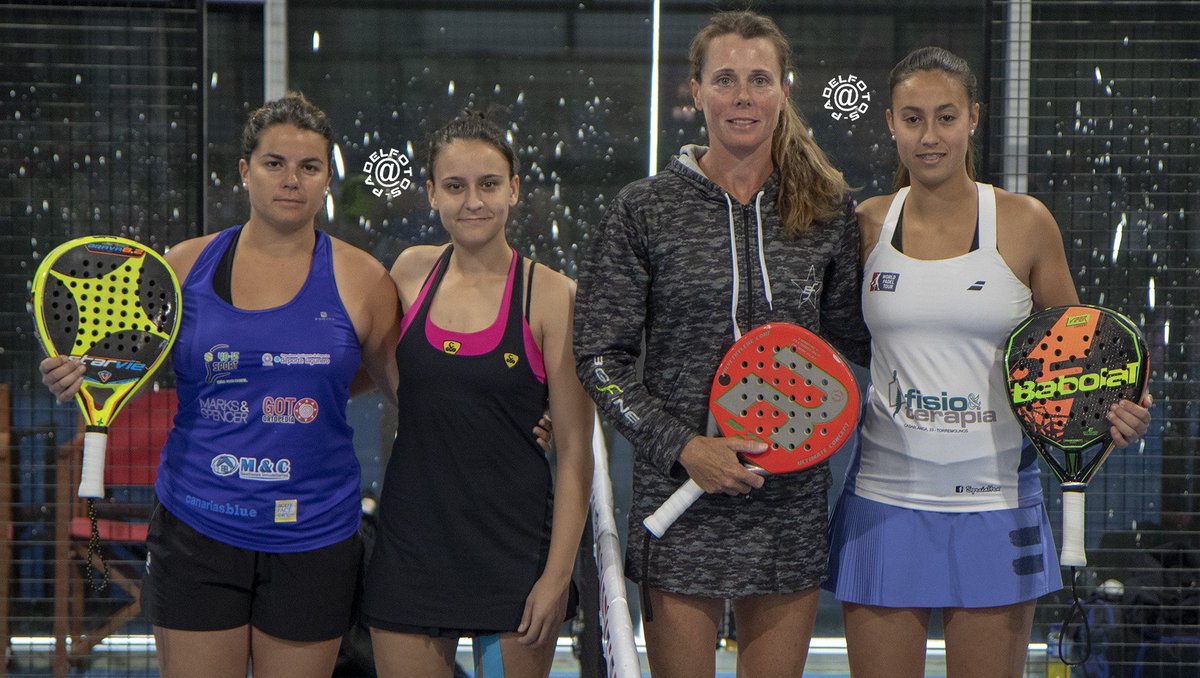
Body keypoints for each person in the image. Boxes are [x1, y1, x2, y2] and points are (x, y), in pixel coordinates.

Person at [39, 93, 400, 677]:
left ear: (327, 178)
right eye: (274, 163)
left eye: (309, 167)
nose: (291, 179)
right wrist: (70, 375)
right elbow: (115, 365)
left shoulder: (364, 279)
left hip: (315, 534)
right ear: (244, 170)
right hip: (197, 529)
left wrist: (511, 420)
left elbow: (400, 388)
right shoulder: (181, 267)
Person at [823, 46, 1154, 678]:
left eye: (945, 117)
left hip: (996, 504)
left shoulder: (1026, 223)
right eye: (912, 118)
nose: (929, 136)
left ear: (974, 118)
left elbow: (1081, 358)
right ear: (890, 123)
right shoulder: (865, 224)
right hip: (884, 503)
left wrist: (1125, 409)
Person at [573, 11, 870, 678]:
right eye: (726, 79)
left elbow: (859, 339)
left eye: (759, 79)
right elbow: (599, 357)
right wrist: (685, 447)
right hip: (679, 502)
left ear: (784, 92)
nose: (743, 96)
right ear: (697, 90)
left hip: (787, 505)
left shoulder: (826, 212)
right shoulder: (642, 209)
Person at [360, 110, 594, 678]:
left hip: (513, 552)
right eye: (455, 186)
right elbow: (401, 384)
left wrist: (557, 576)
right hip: (412, 545)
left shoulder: (553, 296)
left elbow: (576, 452)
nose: (473, 202)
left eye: (489, 184)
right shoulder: (410, 272)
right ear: (431, 193)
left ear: (514, 189)